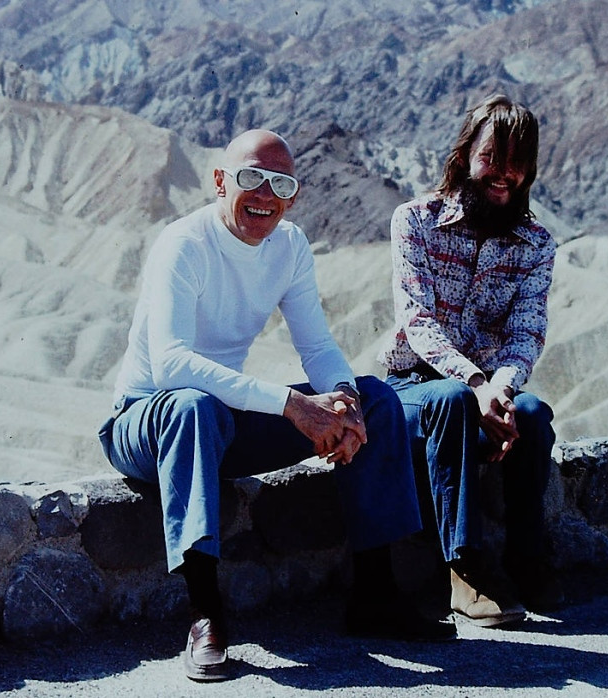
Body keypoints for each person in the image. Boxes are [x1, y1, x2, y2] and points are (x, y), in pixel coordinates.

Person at [99, 129, 453, 682]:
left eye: (279, 184)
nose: (264, 194)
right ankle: (205, 616)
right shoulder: (183, 244)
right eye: (250, 178)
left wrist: (345, 404)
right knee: (192, 406)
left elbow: (316, 346)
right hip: (147, 423)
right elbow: (171, 366)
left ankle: (378, 593)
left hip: (221, 423)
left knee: (379, 398)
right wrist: (292, 406)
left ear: (293, 195)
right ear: (220, 182)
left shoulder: (288, 247)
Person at [379, 94, 561, 628]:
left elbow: (527, 332)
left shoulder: (536, 245)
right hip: (415, 390)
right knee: (452, 399)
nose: (502, 175)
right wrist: (476, 382)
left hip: (484, 395)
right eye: (491, 159)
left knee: (531, 414)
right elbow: (418, 322)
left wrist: (500, 391)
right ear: (464, 156)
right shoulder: (415, 221)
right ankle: (464, 569)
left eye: (516, 164)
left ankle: (527, 560)